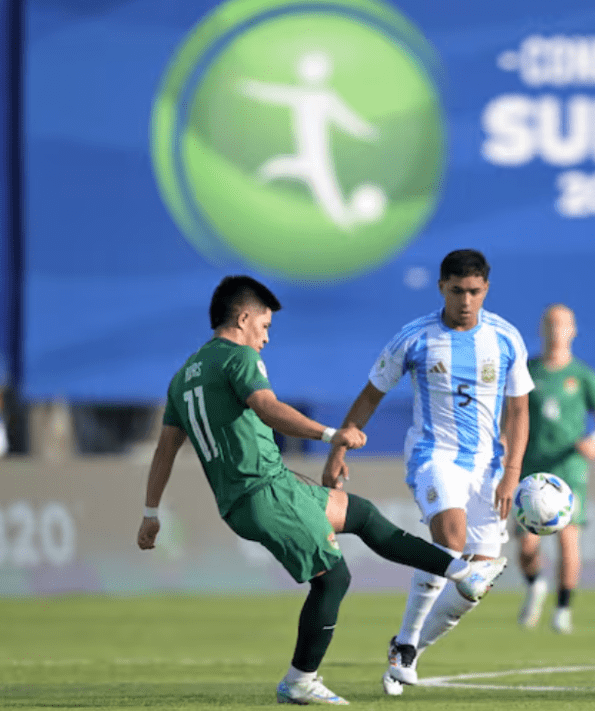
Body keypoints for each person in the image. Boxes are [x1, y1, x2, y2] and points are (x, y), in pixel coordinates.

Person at [136, 275, 505, 706]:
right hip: (263, 492)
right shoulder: (238, 359)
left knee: (362, 515)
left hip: (263, 491)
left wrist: (150, 512)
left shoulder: (184, 377)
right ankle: (299, 681)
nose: (266, 338)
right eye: (265, 326)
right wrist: (332, 433)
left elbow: (165, 450)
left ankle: (463, 571)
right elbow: (268, 408)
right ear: (243, 318)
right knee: (333, 579)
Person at [322, 249, 533, 696]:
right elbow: (370, 395)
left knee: (475, 584)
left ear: (486, 290)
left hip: (487, 469)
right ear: (441, 287)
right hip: (433, 455)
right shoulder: (414, 338)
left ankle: (408, 645)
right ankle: (405, 647)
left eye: (474, 291)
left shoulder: (506, 339)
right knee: (451, 541)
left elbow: (519, 410)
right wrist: (340, 446)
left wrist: (512, 472)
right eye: (457, 291)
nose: (466, 300)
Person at [516, 304, 595, 634]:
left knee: (568, 539)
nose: (557, 330)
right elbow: (511, 419)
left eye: (563, 325)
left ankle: (562, 609)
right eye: (551, 324)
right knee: (527, 547)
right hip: (532, 467)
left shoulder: (583, 375)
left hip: (568, 468)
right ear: (542, 329)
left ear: (573, 331)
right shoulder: (528, 372)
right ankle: (535, 585)